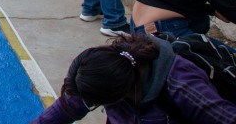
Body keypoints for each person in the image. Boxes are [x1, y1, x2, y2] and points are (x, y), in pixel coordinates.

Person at [30, 33, 236, 123]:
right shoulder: (105, 72)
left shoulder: (183, 86)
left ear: (120, 96)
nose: (87, 104)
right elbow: (66, 109)